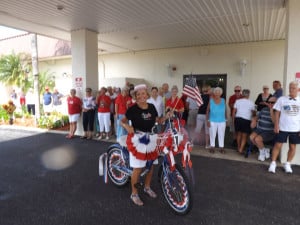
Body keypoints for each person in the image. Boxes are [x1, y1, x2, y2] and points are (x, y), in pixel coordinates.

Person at [120, 84, 160, 206]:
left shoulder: (152, 107)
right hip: (138, 140)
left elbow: (157, 120)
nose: (141, 96)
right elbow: (122, 121)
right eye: (138, 94)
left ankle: (147, 187)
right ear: (135, 97)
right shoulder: (132, 109)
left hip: (151, 139)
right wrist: (127, 126)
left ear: (147, 95)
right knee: (138, 169)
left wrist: (166, 117)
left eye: (143, 93)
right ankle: (134, 193)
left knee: (150, 166)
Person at [268, 81, 300, 174]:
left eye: (293, 88)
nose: (291, 90)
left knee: (293, 147)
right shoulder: (282, 99)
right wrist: (276, 125)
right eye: (290, 87)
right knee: (277, 145)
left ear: (297, 89)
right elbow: (277, 112)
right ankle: (273, 164)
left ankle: (288, 164)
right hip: (282, 127)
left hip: (295, 129)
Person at [250, 96, 276, 161]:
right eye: (268, 102)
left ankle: (262, 153)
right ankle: (264, 150)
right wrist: (254, 119)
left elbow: (274, 122)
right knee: (251, 137)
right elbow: (257, 117)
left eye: (272, 102)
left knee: (257, 139)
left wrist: (271, 110)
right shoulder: (264, 109)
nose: (270, 104)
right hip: (260, 129)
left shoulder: (277, 112)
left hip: (269, 131)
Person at [232, 89, 256, 154]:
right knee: (244, 135)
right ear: (248, 95)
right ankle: (241, 149)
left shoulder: (237, 101)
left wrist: (233, 120)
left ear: (242, 94)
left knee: (239, 134)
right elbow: (254, 112)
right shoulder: (251, 102)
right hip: (246, 120)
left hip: (238, 119)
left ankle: (238, 147)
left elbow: (234, 111)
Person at [206, 87, 227, 153]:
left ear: (221, 93)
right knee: (212, 134)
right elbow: (207, 110)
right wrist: (208, 120)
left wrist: (226, 118)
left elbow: (225, 109)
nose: (217, 94)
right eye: (216, 92)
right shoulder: (211, 100)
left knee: (221, 134)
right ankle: (212, 147)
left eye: (219, 93)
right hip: (212, 120)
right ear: (214, 93)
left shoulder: (223, 100)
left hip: (222, 121)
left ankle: (221, 147)